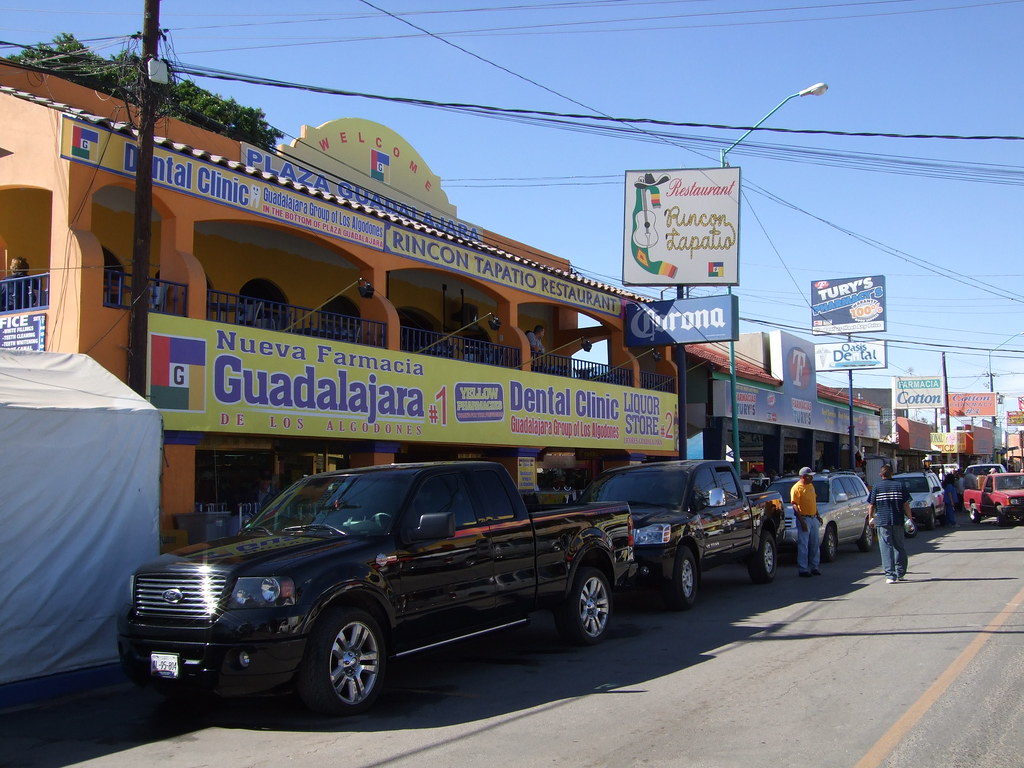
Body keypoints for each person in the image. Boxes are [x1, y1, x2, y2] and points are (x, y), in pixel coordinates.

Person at [868, 464, 912, 584]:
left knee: (886, 547)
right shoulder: (899, 486)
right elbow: (906, 504)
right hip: (898, 520)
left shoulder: (876, 487)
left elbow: (871, 505)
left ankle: (890, 575)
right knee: (899, 547)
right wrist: (910, 518)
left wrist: (870, 518)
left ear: (880, 475)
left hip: (883, 521)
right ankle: (901, 572)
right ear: (892, 473)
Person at [790, 467, 823, 578]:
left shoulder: (811, 486)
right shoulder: (796, 488)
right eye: (809, 476)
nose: (812, 478)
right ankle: (803, 569)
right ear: (803, 476)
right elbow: (795, 505)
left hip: (813, 518)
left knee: (814, 543)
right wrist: (802, 521)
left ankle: (814, 567)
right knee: (803, 545)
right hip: (804, 519)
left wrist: (818, 515)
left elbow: (813, 501)